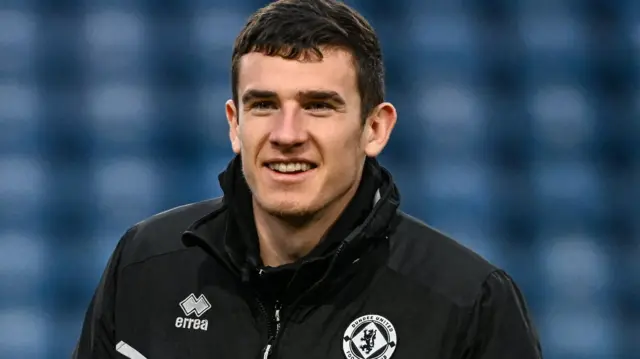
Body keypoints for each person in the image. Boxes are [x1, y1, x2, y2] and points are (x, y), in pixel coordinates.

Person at [72, 0, 543, 358]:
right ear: (235, 124)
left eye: (319, 105)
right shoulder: (145, 264)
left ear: (374, 128)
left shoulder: (467, 302)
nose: (287, 134)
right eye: (264, 105)